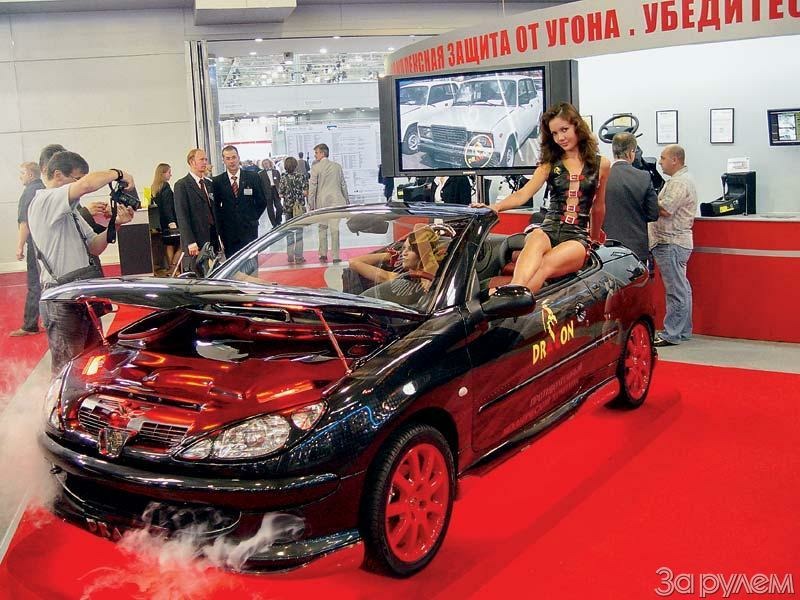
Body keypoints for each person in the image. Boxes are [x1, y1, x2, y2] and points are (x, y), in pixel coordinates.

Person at [481, 102, 610, 294]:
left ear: (577, 126)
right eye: (555, 133)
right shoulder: (549, 164)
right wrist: (496, 207)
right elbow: (524, 194)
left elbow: (598, 207)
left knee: (543, 266)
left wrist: (595, 239)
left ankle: (507, 298)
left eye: (564, 130)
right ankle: (510, 292)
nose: (560, 138)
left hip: (576, 238)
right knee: (536, 236)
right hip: (548, 229)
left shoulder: (602, 164)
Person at [27, 151, 135, 374]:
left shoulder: (70, 212)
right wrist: (118, 174)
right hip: (61, 299)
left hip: (80, 293)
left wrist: (115, 224)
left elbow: (94, 246)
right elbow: (87, 185)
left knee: (90, 362)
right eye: (76, 179)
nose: (80, 186)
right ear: (58, 175)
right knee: (68, 370)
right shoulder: (44, 201)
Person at [649, 144, 698, 347]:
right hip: (675, 242)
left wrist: (645, 198)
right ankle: (683, 330)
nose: (660, 162)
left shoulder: (679, 183)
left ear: (675, 160)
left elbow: (666, 209)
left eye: (663, 158)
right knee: (682, 288)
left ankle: (672, 333)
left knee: (675, 290)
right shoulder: (682, 180)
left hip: (671, 242)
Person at [349, 225, 444, 305]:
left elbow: (419, 227)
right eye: (404, 248)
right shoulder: (397, 278)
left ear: (423, 252)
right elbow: (354, 262)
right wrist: (389, 256)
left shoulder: (431, 271)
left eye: (410, 249)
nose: (404, 253)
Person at [604, 132, 659, 262]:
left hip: (606, 246)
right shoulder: (643, 177)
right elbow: (653, 214)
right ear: (631, 152)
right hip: (635, 247)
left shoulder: (601, 177)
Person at [212, 145, 268, 257]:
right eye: (228, 158)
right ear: (223, 160)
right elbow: (216, 208)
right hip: (228, 231)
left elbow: (262, 201)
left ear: (238, 158)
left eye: (234, 157)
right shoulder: (217, 181)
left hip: (249, 229)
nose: (231, 161)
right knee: (232, 262)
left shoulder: (252, 177)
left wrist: (252, 217)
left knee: (251, 260)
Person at [10, 162, 46, 337]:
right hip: (47, 243)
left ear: (31, 175)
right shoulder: (44, 189)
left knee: (34, 283)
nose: (20, 176)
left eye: (22, 173)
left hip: (35, 244)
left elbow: (25, 222)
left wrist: (20, 246)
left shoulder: (29, 193)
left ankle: (30, 325)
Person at [174, 148, 220, 272]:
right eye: (201, 159)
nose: (205, 162)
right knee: (197, 273)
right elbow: (182, 216)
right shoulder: (182, 185)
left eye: (206, 159)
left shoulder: (208, 184)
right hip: (195, 240)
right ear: (192, 162)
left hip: (212, 237)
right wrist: (190, 241)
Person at [308, 143, 349, 263]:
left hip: (322, 202)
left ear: (322, 153)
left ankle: (323, 254)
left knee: (322, 227)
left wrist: (311, 204)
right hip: (337, 201)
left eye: (316, 153)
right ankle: (335, 256)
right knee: (335, 229)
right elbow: (343, 185)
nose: (315, 155)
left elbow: (312, 187)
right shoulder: (337, 166)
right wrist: (347, 201)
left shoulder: (316, 168)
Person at [150, 163, 180, 272]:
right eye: (169, 172)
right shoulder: (166, 187)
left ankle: (171, 268)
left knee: (169, 244)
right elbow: (168, 206)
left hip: (162, 221)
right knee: (182, 244)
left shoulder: (155, 188)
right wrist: (172, 221)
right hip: (170, 220)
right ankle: (174, 267)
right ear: (162, 173)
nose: (171, 175)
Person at [278, 156, 308, 264]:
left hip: (288, 207)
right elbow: (305, 192)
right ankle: (299, 257)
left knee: (289, 231)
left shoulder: (283, 177)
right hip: (299, 207)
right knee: (299, 232)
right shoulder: (301, 176)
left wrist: (287, 195)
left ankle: (290, 256)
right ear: (295, 165)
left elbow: (280, 194)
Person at [258, 158, 283, 227]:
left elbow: (280, 182)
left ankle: (278, 221)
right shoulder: (260, 174)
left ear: (270, 163)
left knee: (279, 207)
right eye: (264, 164)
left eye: (267, 163)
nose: (266, 165)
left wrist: (281, 192)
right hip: (267, 192)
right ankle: (274, 224)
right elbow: (260, 185)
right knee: (270, 208)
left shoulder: (276, 172)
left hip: (275, 190)